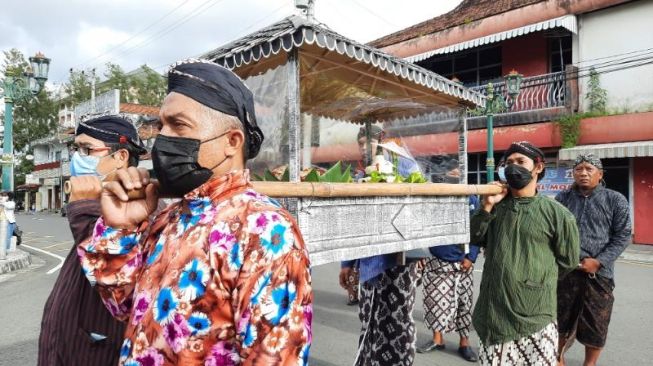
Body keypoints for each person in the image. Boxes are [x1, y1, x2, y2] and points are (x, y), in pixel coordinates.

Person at [77, 59, 312, 365]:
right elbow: (123, 307)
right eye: (161, 126)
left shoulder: (265, 230)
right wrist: (121, 229)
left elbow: (276, 357)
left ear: (232, 141)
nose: (162, 138)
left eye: (179, 125)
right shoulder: (167, 218)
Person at [38, 115, 146, 366]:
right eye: (76, 149)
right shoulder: (101, 201)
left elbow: (111, 274)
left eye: (87, 149)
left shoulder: (140, 208)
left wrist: (85, 208)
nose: (77, 157)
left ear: (120, 158)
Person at [470, 141, 580, 366]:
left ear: (538, 167)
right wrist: (487, 206)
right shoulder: (496, 207)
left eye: (521, 162)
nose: (513, 167)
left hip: (536, 317)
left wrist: (535, 279)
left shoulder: (557, 214)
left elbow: (568, 262)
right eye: (509, 163)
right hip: (494, 316)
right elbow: (474, 237)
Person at [341, 125, 422, 366]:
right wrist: (347, 263)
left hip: (400, 259)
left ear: (382, 142)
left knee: (398, 319)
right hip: (368, 261)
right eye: (360, 144)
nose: (364, 148)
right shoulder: (359, 175)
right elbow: (353, 222)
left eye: (368, 142)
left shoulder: (404, 166)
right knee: (369, 319)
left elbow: (419, 208)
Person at [555, 154, 631, 366]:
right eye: (579, 169)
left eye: (589, 169)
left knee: (597, 323)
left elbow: (623, 235)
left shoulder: (615, 199)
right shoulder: (563, 199)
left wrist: (598, 262)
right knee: (561, 319)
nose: (583, 173)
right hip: (566, 272)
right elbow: (555, 232)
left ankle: (590, 364)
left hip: (599, 275)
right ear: (573, 174)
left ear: (600, 174)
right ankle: (558, 359)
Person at [417, 167, 480, 363]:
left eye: (457, 172)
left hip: (463, 263)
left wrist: (471, 256)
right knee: (434, 303)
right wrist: (420, 253)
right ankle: (438, 339)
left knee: (464, 305)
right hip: (436, 261)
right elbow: (421, 229)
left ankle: (464, 343)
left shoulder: (471, 199)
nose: (452, 174)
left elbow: (477, 230)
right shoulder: (432, 200)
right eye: (448, 172)